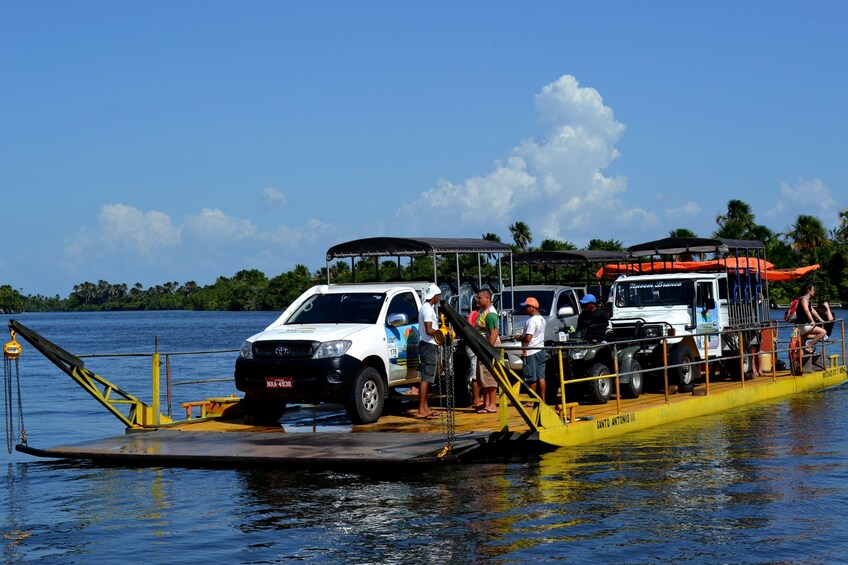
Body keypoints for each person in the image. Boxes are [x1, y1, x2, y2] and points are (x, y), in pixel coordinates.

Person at [416, 283, 441, 419]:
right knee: (427, 377)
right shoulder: (427, 310)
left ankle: (425, 408)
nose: (439, 299)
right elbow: (429, 330)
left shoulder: (427, 308)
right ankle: (421, 409)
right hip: (428, 345)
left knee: (429, 377)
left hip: (429, 345)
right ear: (435, 296)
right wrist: (442, 332)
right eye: (439, 296)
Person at [517, 297, 546, 407]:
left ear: (532, 307)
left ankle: (531, 400)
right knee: (541, 377)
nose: (525, 309)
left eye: (527, 307)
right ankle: (542, 399)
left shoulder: (531, 321)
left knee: (531, 377)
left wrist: (519, 338)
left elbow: (528, 338)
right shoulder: (542, 319)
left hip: (531, 351)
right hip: (541, 350)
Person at [475, 288, 500, 414]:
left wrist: (489, 350)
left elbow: (494, 332)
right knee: (483, 377)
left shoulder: (490, 314)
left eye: (479, 298)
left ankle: (492, 404)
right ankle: (486, 403)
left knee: (490, 377)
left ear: (487, 298)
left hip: (488, 348)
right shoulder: (482, 311)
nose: (477, 300)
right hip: (482, 348)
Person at [795, 284, 827, 353]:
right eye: (813, 290)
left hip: (804, 325)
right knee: (823, 332)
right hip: (803, 325)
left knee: (802, 347)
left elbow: (813, 311)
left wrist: (821, 320)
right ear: (808, 290)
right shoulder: (803, 299)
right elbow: (806, 310)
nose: (814, 291)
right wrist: (812, 321)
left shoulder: (807, 300)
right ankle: (809, 345)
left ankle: (800, 360)